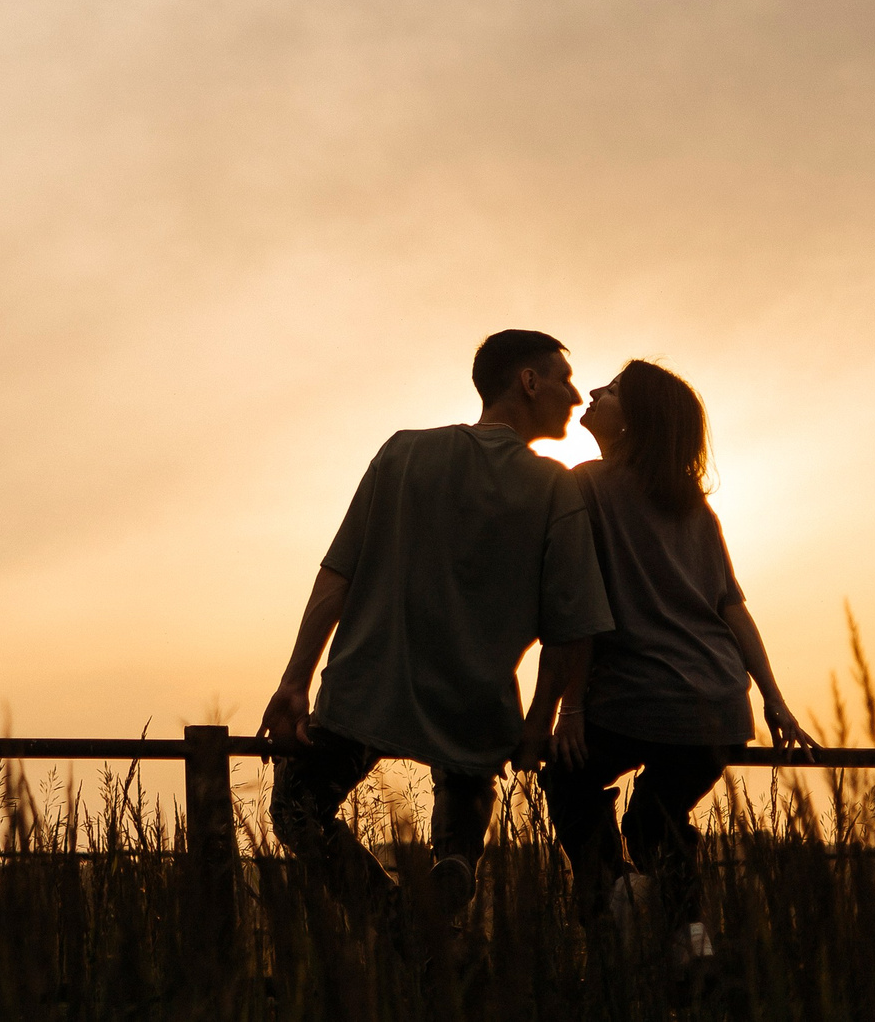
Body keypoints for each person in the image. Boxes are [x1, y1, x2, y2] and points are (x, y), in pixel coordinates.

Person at [259, 330, 614, 925]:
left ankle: (394, 923)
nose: (577, 397)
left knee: (298, 813)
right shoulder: (557, 487)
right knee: (461, 827)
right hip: (473, 715)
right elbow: (572, 627)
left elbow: (337, 575)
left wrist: (295, 681)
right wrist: (541, 719)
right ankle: (445, 883)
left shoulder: (401, 453)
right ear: (528, 382)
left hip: (367, 695)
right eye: (564, 379)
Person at [542, 359, 816, 961]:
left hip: (637, 696)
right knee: (654, 823)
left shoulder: (585, 487)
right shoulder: (694, 506)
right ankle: (692, 944)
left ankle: (608, 908)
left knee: (567, 776)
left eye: (613, 389)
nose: (594, 391)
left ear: (637, 419)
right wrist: (773, 701)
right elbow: (732, 611)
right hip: (718, 704)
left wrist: (571, 709)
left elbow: (576, 607)